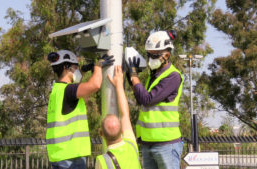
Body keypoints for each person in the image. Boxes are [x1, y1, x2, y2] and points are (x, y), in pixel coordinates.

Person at [46, 50, 114, 169]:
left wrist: (83, 70)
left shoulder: (56, 91)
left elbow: (75, 88)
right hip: (71, 157)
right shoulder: (69, 90)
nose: (77, 70)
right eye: (75, 67)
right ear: (67, 68)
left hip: (58, 155)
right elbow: (95, 85)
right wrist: (98, 66)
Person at [126, 30, 184, 169]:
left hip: (166, 143)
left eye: (155, 55)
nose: (151, 58)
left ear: (167, 54)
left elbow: (147, 99)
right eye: (149, 54)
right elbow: (141, 99)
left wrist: (134, 76)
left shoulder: (173, 76)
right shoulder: (154, 77)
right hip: (148, 142)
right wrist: (131, 78)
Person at [95, 66, 141, 169]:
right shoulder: (131, 145)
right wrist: (119, 84)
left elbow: (124, 115)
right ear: (121, 131)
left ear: (101, 134)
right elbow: (124, 114)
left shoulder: (102, 160)